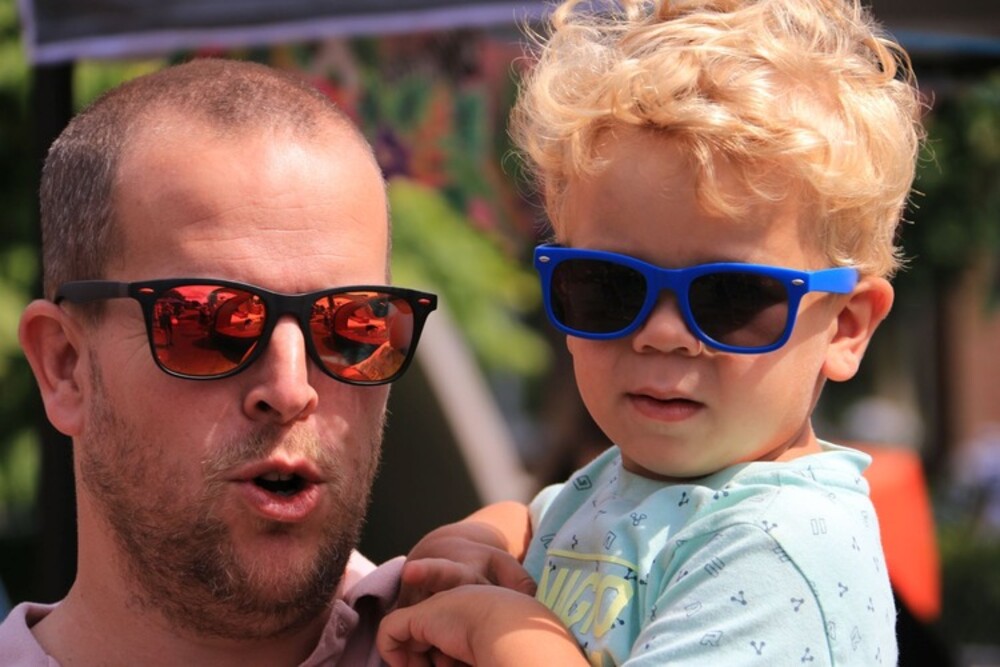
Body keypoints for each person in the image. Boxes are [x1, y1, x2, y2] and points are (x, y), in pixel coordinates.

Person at [376, 0, 925, 664]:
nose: (663, 334)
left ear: (845, 327)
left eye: (730, 297)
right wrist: (483, 538)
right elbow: (546, 517)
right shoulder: (631, 485)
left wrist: (497, 628)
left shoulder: (780, 546)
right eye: (608, 286)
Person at [0, 58, 439, 666]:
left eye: (350, 325)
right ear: (65, 367)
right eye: (212, 324)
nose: (290, 390)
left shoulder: (513, 639)